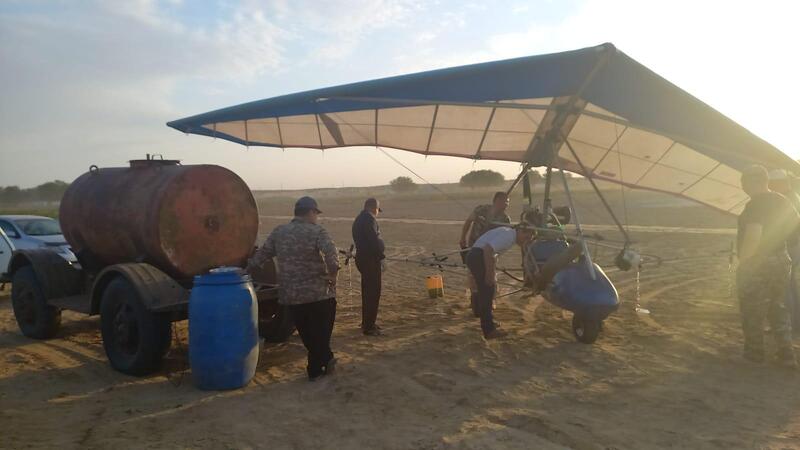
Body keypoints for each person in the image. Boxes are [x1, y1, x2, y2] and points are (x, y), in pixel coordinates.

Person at [248, 196, 340, 381]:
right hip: (319, 294)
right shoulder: (317, 231)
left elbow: (262, 255)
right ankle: (323, 360)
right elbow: (331, 254)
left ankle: (316, 367)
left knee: (307, 333)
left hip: (292, 296)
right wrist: (333, 275)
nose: (316, 217)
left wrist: (243, 270)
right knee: (321, 333)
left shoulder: (279, 232)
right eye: (316, 214)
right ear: (311, 212)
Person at [736, 165, 798, 367]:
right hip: (782, 259)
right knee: (778, 305)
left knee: (752, 308)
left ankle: (754, 354)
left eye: (743, 182)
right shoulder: (783, 200)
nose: (742, 186)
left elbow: (753, 235)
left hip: (759, 263)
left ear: (750, 182)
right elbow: (795, 229)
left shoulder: (756, 205)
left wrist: (743, 263)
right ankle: (786, 353)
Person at [465, 225, 534, 339]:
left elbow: (492, 254)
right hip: (478, 256)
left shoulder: (508, 234)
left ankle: (484, 317)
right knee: (487, 291)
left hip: (476, 255)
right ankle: (489, 330)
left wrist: (491, 270)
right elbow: (488, 250)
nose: (525, 241)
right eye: (526, 237)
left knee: (485, 290)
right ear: (520, 231)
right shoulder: (508, 236)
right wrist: (489, 273)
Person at [459, 192, 511, 315]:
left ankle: (490, 301)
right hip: (474, 247)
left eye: (508, 202)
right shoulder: (481, 210)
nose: (506, 205)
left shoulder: (505, 219)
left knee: (490, 274)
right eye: (505, 202)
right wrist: (463, 237)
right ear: (496, 200)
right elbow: (468, 221)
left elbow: (504, 236)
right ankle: (475, 301)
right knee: (473, 275)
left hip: (491, 249)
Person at [769, 169, 800, 336]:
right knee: (790, 284)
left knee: (784, 286)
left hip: (790, 246)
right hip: (794, 245)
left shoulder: (787, 199)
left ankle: (787, 325)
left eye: (773, 185)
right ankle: (795, 323)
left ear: (781, 183)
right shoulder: (792, 196)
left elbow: (784, 225)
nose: (771, 188)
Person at [352, 198, 385, 336]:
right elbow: (373, 240)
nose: (377, 212)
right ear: (373, 208)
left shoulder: (359, 219)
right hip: (370, 260)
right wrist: (381, 257)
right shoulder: (369, 220)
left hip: (362, 258)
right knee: (373, 292)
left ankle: (367, 322)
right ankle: (369, 326)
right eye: (377, 209)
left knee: (367, 292)